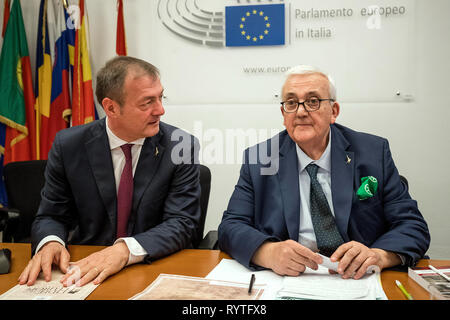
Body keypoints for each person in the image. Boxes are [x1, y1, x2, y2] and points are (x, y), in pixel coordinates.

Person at [218, 65, 430, 280]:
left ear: (334, 111)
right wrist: (268, 252)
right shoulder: (259, 159)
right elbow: (231, 226)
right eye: (291, 103)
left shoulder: (373, 153)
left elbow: (412, 225)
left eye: (313, 101)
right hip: (289, 280)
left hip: (358, 280)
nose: (301, 112)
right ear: (284, 114)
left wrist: (379, 256)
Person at [19, 56, 201, 287]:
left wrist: (126, 250)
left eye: (160, 97)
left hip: (150, 267)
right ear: (111, 107)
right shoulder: (69, 145)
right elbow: (51, 215)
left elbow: (182, 222)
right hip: (82, 268)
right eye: (147, 102)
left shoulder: (180, 145)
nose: (160, 110)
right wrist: (51, 242)